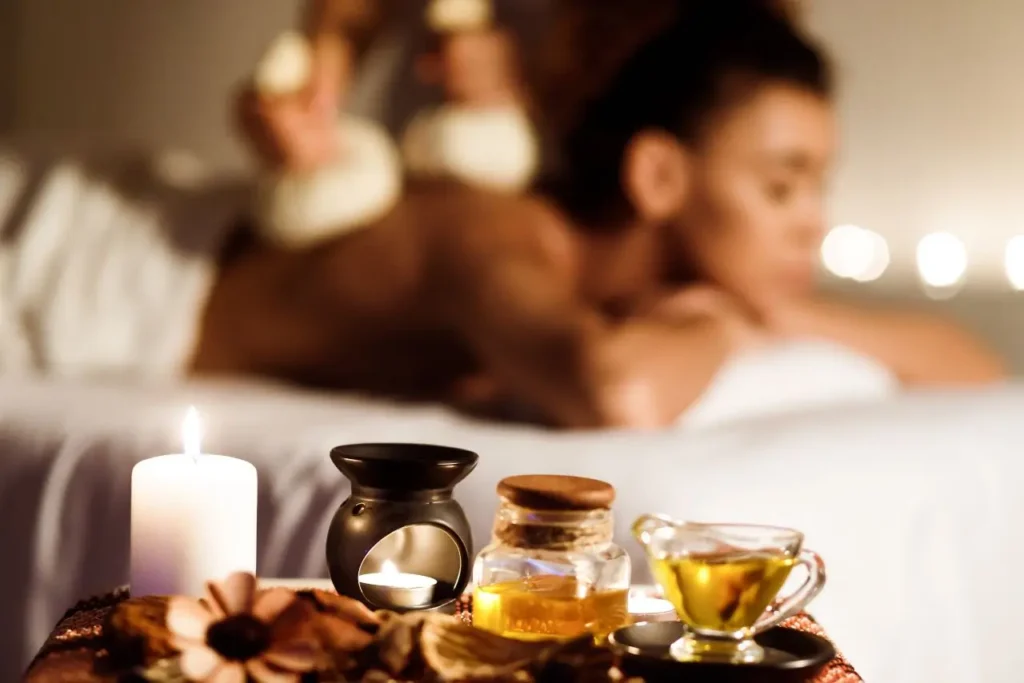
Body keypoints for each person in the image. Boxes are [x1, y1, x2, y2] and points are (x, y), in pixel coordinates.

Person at [192, 0, 1003, 428]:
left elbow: (979, 370)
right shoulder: (489, 237)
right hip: (143, 275)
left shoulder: (640, 284)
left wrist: (783, 315)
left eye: (821, 186)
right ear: (657, 175)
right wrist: (724, 323)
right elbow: (617, 394)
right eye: (782, 187)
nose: (813, 222)